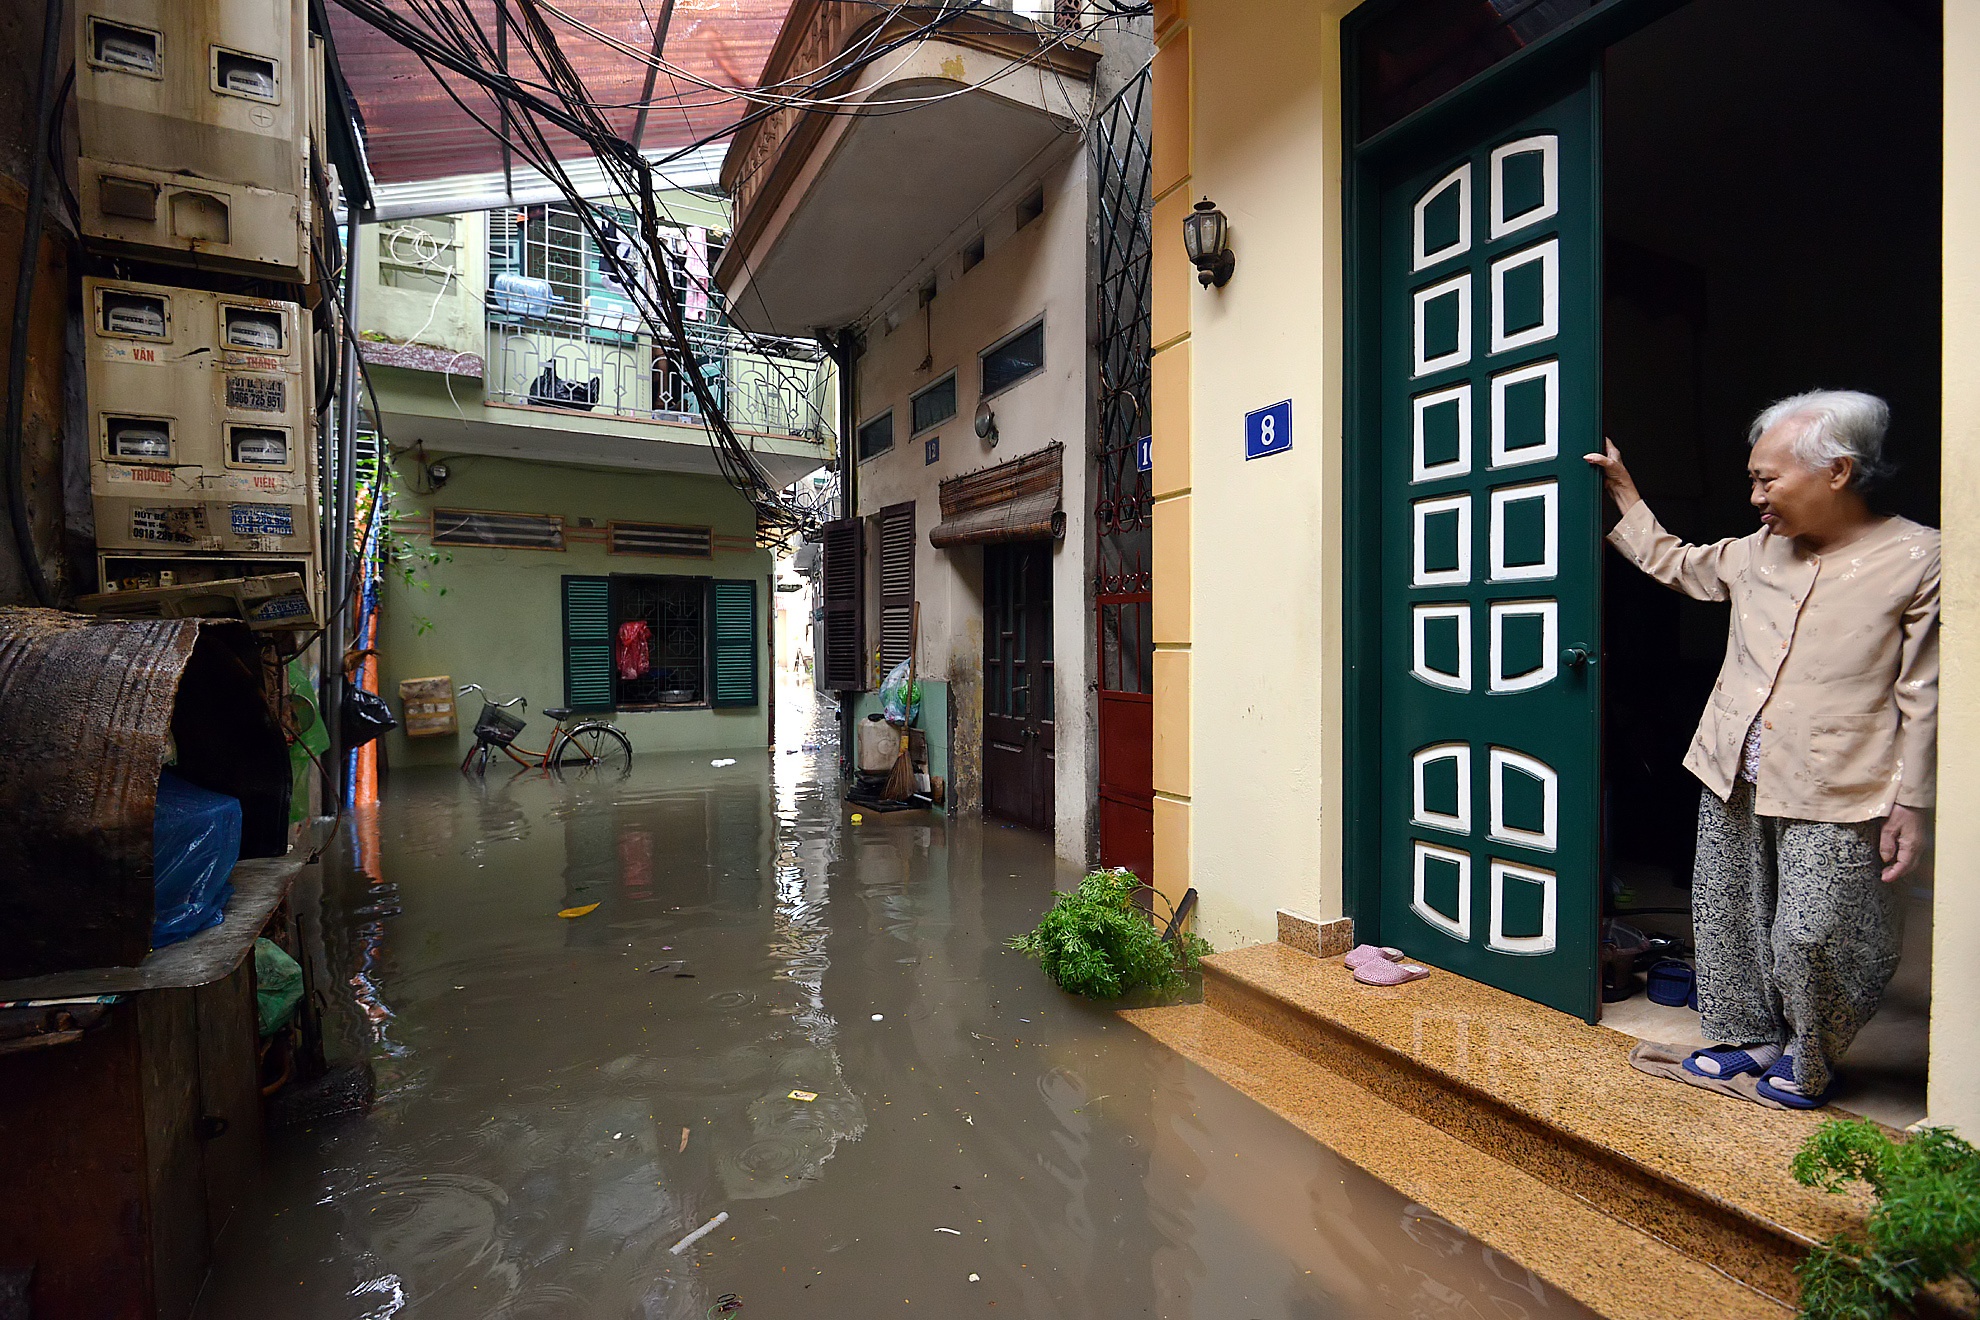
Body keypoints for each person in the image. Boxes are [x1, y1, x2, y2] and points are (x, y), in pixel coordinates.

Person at [1587, 390, 1938, 1108]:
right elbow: (1678, 564)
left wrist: (1915, 799)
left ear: (1836, 472)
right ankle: (1746, 1035)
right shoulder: (1757, 553)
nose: (1754, 496)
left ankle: (1811, 1054)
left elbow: (1924, 692)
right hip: (1731, 767)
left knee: (1816, 933)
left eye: (1766, 479)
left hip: (1842, 779)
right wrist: (1622, 489)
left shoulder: (1920, 558)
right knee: (1727, 916)